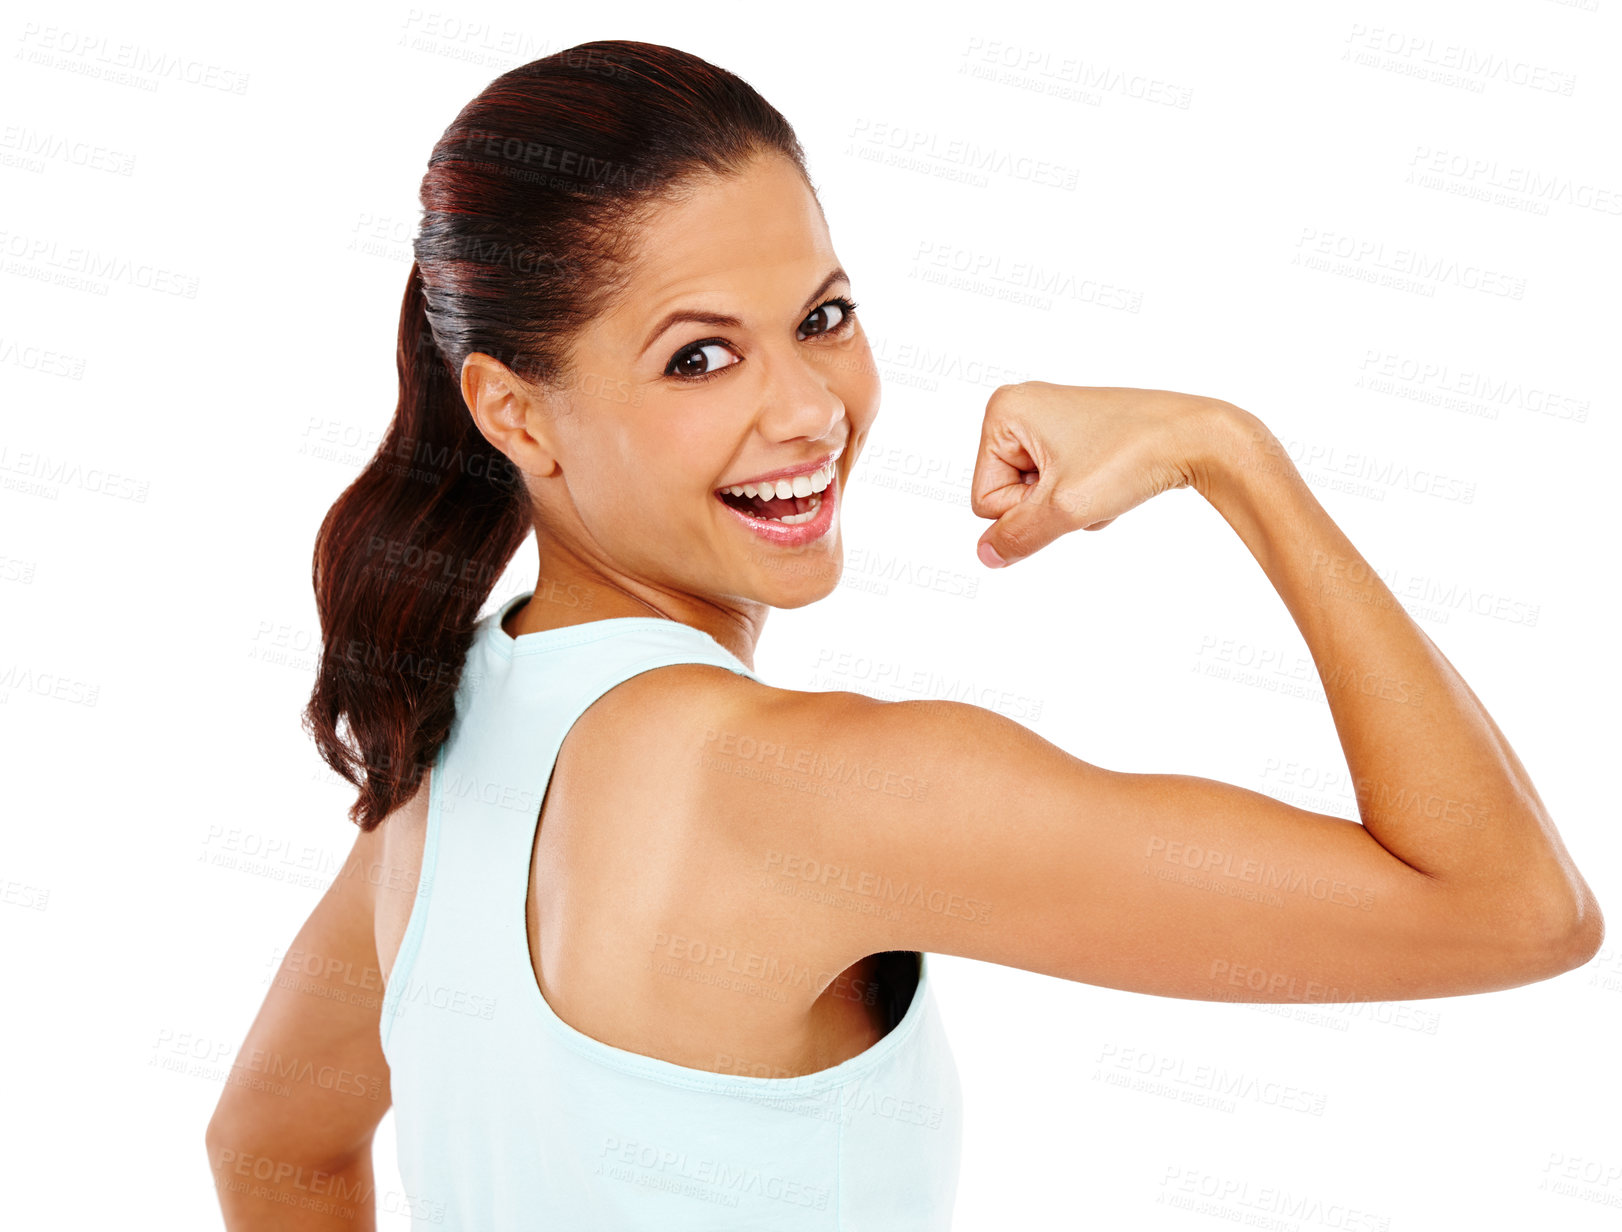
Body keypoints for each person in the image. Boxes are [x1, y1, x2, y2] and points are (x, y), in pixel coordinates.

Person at [203, 39, 1603, 1230]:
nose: (808, 408)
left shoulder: (456, 750)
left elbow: (270, 1144)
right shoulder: (803, 789)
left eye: (821, 317)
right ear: (513, 414)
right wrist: (1230, 456)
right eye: (700, 354)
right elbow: (1508, 912)